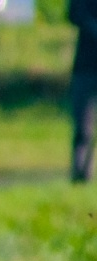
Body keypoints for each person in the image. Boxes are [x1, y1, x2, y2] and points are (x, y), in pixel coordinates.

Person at [72, 0, 97, 183]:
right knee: (83, 127)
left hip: (85, 67)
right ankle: (81, 176)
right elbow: (74, 14)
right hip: (86, 65)